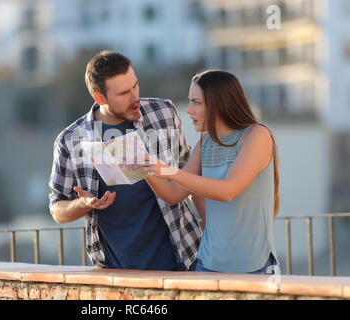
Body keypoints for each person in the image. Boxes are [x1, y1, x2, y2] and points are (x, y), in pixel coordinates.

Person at [49, 50, 202, 271]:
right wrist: (83, 204)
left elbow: (190, 173)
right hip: (118, 273)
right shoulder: (71, 140)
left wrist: (208, 227)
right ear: (99, 98)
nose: (134, 97)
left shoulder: (164, 113)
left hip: (185, 259)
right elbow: (57, 209)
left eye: (135, 86)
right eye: (123, 93)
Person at [140, 70, 280, 274]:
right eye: (190, 102)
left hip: (254, 266)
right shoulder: (204, 143)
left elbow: (228, 191)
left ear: (219, 103)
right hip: (207, 263)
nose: (189, 110)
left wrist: (169, 171)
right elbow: (173, 194)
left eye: (196, 102)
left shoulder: (257, 135)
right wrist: (143, 168)